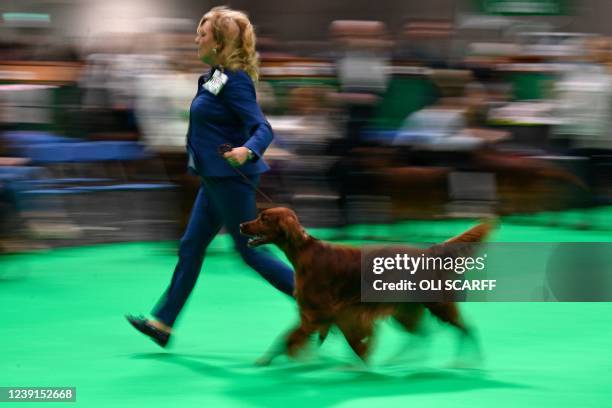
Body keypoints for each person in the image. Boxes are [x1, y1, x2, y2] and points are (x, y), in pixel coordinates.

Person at [126, 6, 295, 347]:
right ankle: (163, 324)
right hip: (212, 177)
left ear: (219, 42)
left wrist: (247, 150)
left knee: (249, 252)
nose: (195, 39)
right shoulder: (215, 77)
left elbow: (262, 127)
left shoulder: (236, 81)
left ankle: (320, 297)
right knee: (191, 247)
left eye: (202, 34)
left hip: (230, 178)